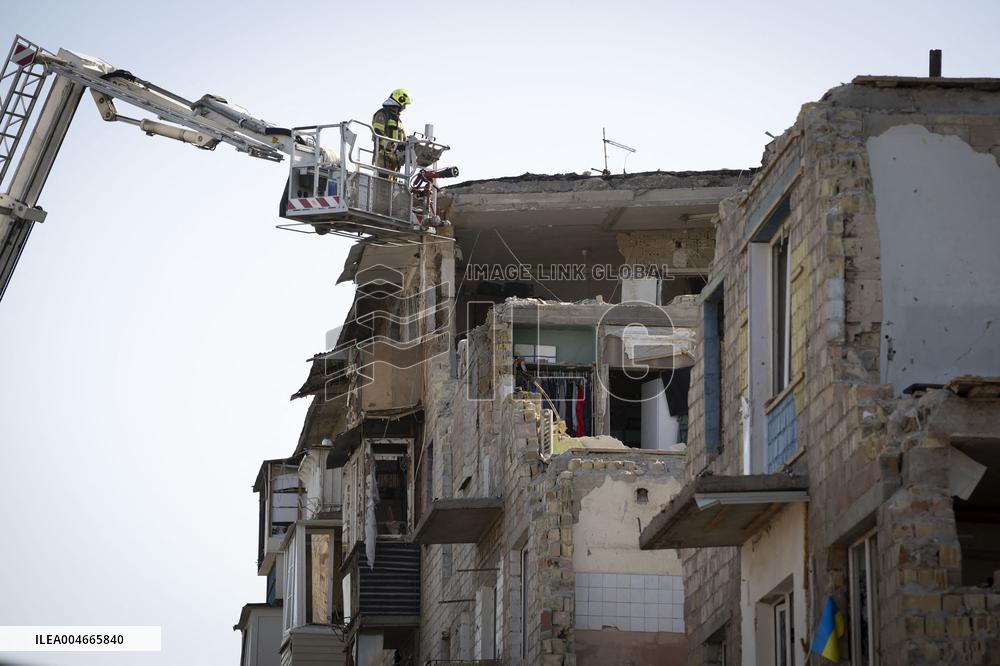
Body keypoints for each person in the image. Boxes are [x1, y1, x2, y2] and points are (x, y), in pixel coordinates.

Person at [372, 88, 411, 173]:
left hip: (394, 161)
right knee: (382, 184)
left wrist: (408, 144)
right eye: (404, 104)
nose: (404, 108)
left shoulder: (398, 121)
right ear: (399, 101)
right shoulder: (382, 114)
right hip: (383, 157)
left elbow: (403, 139)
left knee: (393, 185)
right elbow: (378, 134)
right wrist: (394, 146)